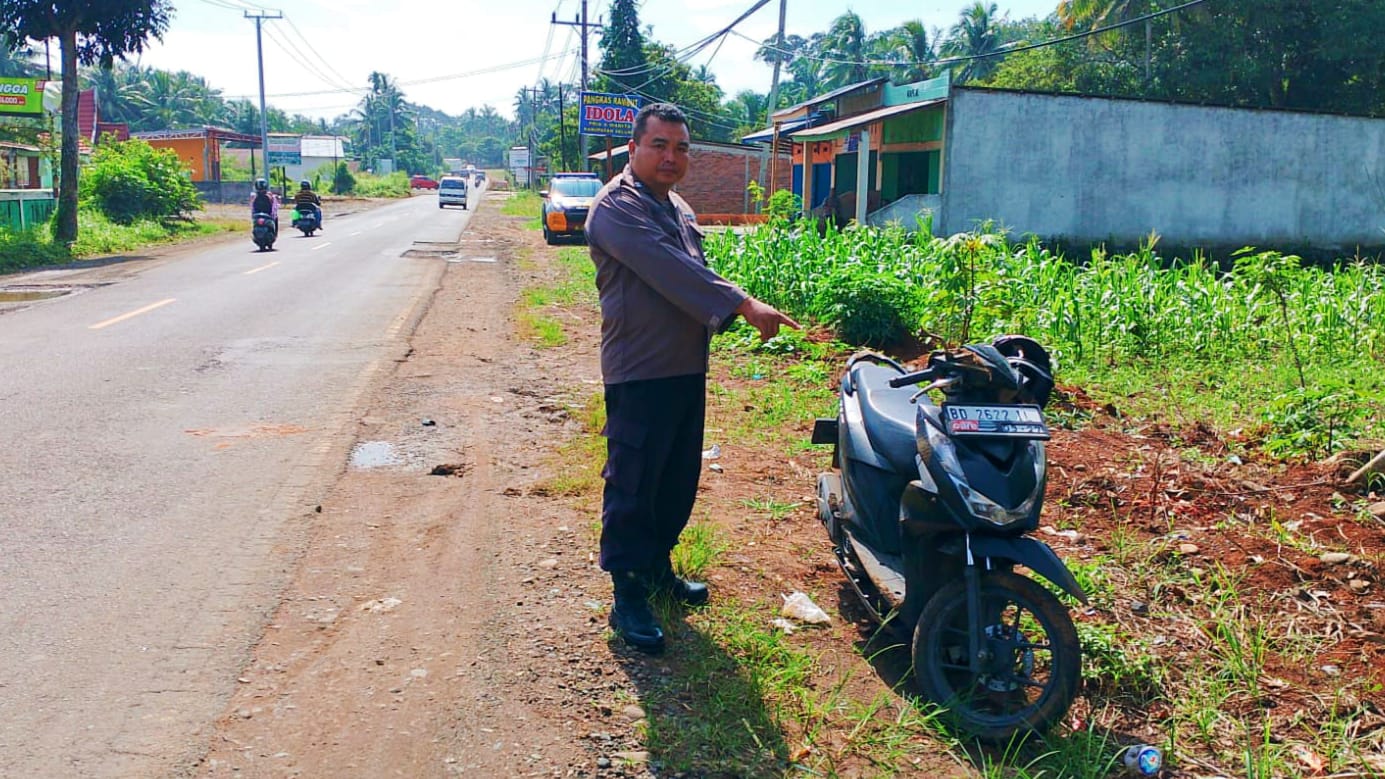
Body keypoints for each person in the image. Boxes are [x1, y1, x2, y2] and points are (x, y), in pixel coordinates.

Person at [586, 103, 800, 654]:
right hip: (639, 369)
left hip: (685, 364)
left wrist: (735, 298)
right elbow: (669, 270)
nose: (671, 157)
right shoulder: (616, 208)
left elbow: (697, 272)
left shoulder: (677, 206)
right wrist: (744, 304)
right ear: (633, 149)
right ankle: (628, 594)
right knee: (633, 481)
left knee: (675, 478)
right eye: (659, 145)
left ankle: (657, 570)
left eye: (681, 148)